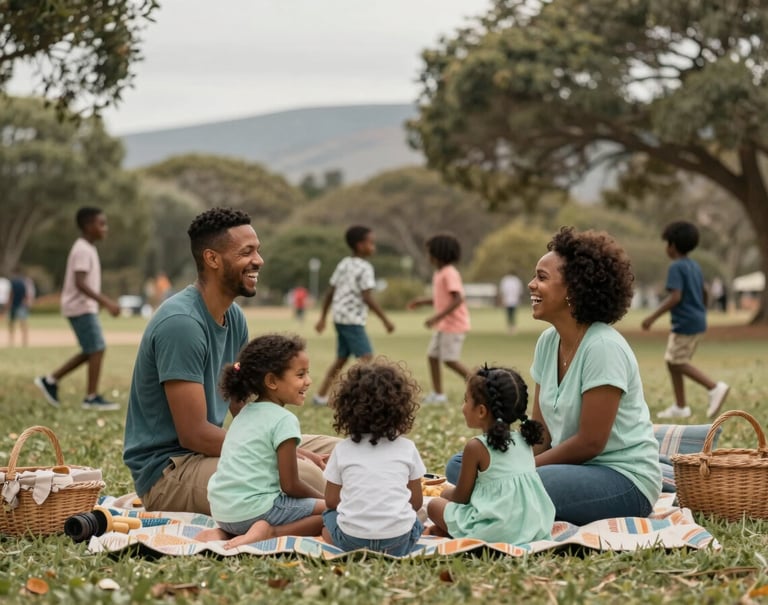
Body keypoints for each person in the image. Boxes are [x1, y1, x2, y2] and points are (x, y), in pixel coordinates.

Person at [123, 207, 338, 514]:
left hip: (217, 453)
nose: (258, 260)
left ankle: (375, 508)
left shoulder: (234, 318)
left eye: (258, 251)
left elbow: (239, 401)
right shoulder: (181, 324)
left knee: (342, 454)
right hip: (172, 472)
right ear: (212, 259)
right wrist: (284, 456)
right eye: (246, 252)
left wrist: (291, 446)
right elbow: (194, 433)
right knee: (304, 474)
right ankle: (354, 515)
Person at [447, 227, 662, 526]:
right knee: (461, 465)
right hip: (567, 469)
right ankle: (500, 498)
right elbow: (541, 434)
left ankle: (487, 508)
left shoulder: (603, 347)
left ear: (573, 289)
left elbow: (590, 443)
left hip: (622, 479)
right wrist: (511, 462)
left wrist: (520, 470)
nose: (531, 284)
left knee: (519, 479)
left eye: (542, 277)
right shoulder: (548, 342)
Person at [198, 334, 325, 548]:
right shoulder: (284, 419)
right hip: (256, 511)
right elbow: (291, 485)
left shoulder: (246, 412)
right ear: (272, 381)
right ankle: (271, 532)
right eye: (300, 374)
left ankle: (225, 533)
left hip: (222, 511)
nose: (308, 381)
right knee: (335, 513)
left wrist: (307, 455)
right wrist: (325, 500)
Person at [427, 365, 554, 543]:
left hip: (496, 531)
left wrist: (442, 493)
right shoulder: (525, 440)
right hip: (533, 526)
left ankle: (458, 531)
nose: (463, 407)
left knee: (434, 506)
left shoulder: (476, 447)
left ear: (481, 411)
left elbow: (461, 497)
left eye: (466, 400)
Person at [322, 358, 426, 556]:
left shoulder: (343, 449)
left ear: (346, 408)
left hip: (353, 541)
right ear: (401, 409)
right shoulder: (407, 448)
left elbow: (331, 501)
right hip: (398, 543)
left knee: (328, 516)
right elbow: (416, 502)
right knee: (418, 515)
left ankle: (338, 543)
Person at [33, 207, 121, 410]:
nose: (105, 229)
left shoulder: (88, 248)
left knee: (92, 349)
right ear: (88, 226)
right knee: (97, 348)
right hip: (79, 307)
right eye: (101, 224)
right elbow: (80, 282)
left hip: (82, 307)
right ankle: (91, 397)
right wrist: (106, 302)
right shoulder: (82, 249)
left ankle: (51, 380)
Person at [642, 221, 730, 419]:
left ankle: (714, 387)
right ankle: (680, 406)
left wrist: (652, 317)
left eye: (667, 244)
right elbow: (705, 291)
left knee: (677, 361)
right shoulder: (694, 266)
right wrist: (701, 310)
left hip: (685, 323)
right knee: (673, 361)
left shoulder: (676, 267)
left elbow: (675, 297)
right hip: (696, 320)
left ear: (672, 246)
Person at [312, 226, 394, 405]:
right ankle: (364, 399)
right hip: (352, 321)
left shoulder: (344, 263)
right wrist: (385, 320)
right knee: (368, 361)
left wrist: (323, 317)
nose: (374, 247)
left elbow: (330, 292)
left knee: (341, 359)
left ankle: (320, 396)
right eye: (370, 243)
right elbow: (367, 297)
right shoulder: (365, 268)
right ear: (359, 245)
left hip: (339, 318)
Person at [407, 233, 471, 404]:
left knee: (450, 360)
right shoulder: (440, 273)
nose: (428, 257)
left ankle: (480, 385)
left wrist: (436, 317)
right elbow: (443, 299)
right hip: (444, 325)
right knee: (433, 356)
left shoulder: (449, 273)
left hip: (453, 324)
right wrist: (423, 301)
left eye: (429, 253)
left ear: (438, 254)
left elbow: (458, 299)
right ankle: (438, 395)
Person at [8, 267, 34, 347]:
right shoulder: (24, 282)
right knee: (23, 322)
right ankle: (24, 340)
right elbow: (26, 294)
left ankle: (11, 340)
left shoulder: (13, 282)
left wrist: (8, 304)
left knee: (12, 322)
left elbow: (11, 294)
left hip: (14, 305)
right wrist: (27, 303)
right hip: (21, 305)